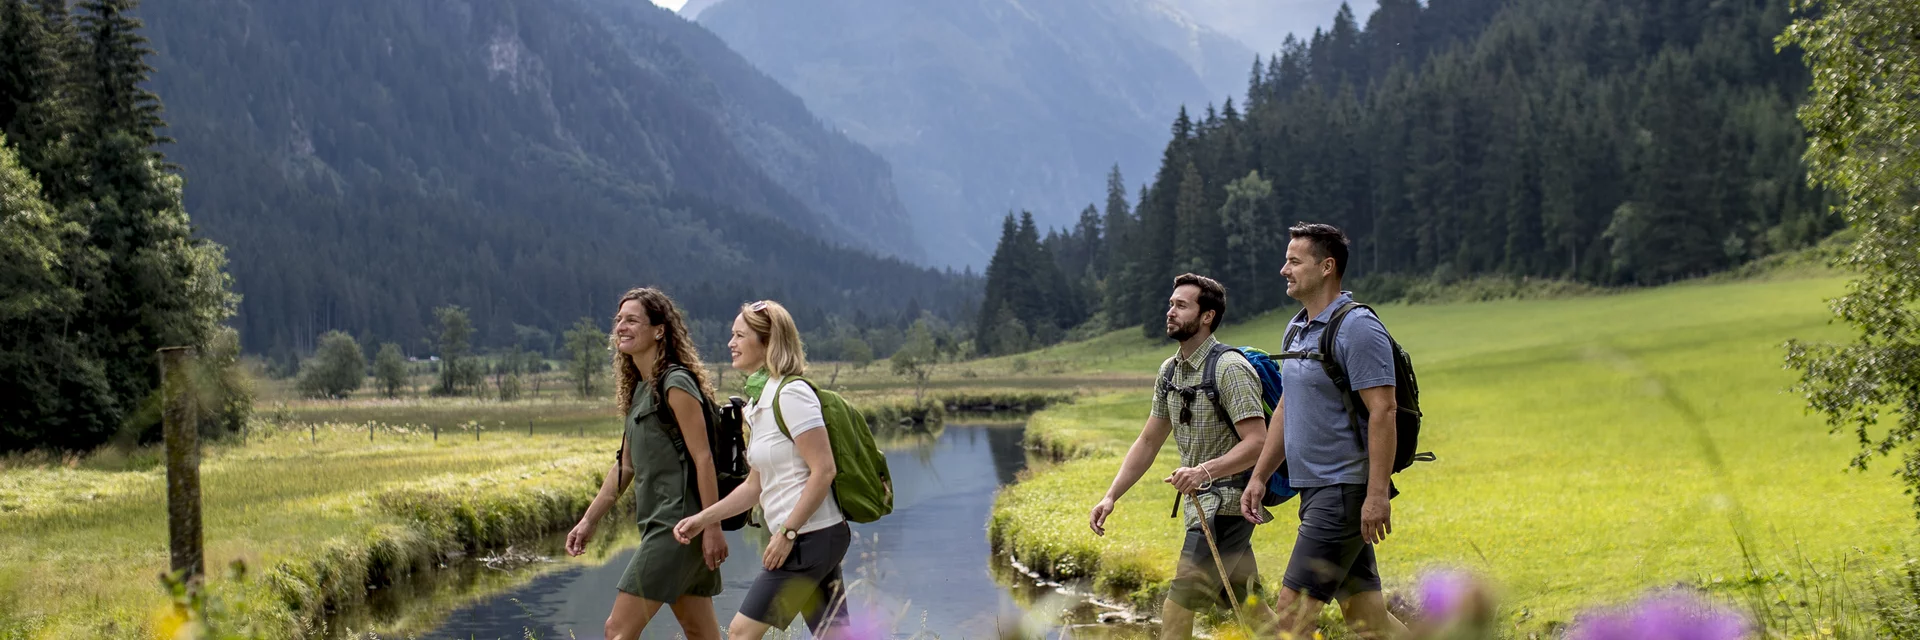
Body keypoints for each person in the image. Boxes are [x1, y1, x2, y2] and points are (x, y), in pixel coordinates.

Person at [1240, 223, 1410, 639]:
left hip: (1343, 491)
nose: (1284, 269)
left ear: (1327, 267)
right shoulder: (1297, 328)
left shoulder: (1357, 328)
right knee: (1366, 619)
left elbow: (1384, 410)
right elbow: (1285, 406)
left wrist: (1376, 495)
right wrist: (1260, 475)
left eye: (1294, 261)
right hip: (1316, 488)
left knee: (1291, 613)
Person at [1088, 273, 1274, 639]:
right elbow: (1147, 441)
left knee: (1177, 608)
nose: (1170, 311)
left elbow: (1258, 442)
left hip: (1226, 508)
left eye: (1181, 305)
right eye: (1171, 304)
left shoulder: (1230, 369)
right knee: (1252, 607)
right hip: (1201, 509)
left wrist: (1203, 472)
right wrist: (1111, 495)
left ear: (1207, 316)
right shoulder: (1169, 371)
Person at [674, 300, 850, 640]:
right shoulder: (759, 403)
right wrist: (702, 519)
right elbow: (754, 487)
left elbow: (824, 470)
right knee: (836, 635)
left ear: (768, 343)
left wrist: (787, 533)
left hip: (810, 538)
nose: (731, 343)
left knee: (741, 632)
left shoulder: (793, 394)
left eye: (740, 335)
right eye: (732, 335)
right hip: (812, 537)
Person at [564, 288, 728, 640]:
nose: (621, 326)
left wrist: (712, 527)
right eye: (619, 320)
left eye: (632, 320)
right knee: (701, 632)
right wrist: (588, 521)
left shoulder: (676, 382)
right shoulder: (641, 390)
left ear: (659, 330)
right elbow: (624, 468)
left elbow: (704, 458)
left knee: (617, 631)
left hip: (678, 528)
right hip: (669, 528)